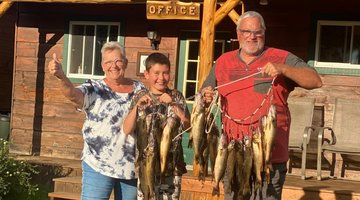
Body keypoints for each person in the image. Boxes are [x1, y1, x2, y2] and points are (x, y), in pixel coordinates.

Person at [201, 11, 322, 200]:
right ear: (238, 32)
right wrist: (206, 95)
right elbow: (205, 91)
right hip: (232, 153)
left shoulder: (281, 57)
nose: (252, 36)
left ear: (264, 33)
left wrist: (282, 69)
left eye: (257, 32)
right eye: (246, 31)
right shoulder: (224, 61)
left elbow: (315, 81)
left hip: (268, 158)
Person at [47, 41, 145, 200]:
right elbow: (73, 95)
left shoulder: (139, 88)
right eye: (108, 62)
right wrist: (61, 76)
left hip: (130, 167)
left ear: (126, 63)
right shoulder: (94, 87)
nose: (113, 65)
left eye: (118, 61)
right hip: (98, 163)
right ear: (102, 65)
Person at [123, 52, 190, 200]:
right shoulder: (139, 96)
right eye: (156, 73)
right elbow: (126, 129)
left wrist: (173, 105)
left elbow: (188, 126)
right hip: (146, 166)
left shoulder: (177, 96)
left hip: (172, 169)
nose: (161, 78)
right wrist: (137, 108)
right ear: (147, 74)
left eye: (165, 73)